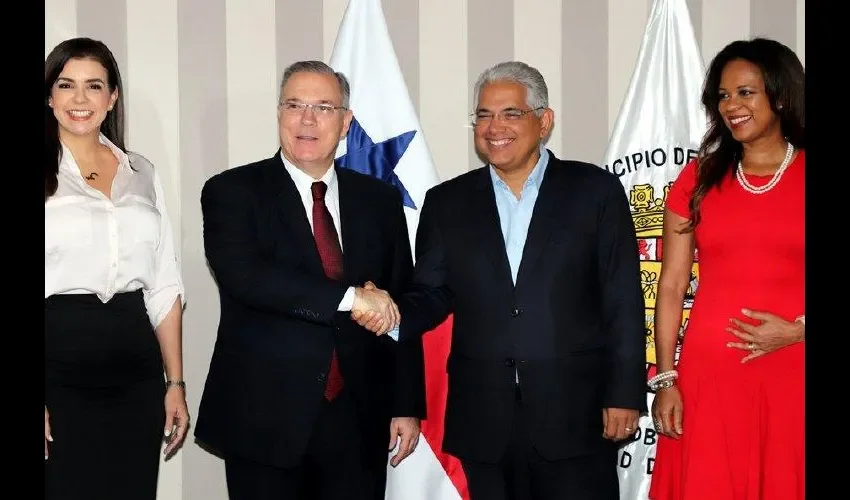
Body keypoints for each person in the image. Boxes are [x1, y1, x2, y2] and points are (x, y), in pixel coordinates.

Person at [356, 61, 646, 500]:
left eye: (511, 113)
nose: (495, 127)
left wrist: (624, 392)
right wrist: (389, 312)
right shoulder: (447, 202)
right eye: (484, 116)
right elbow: (432, 294)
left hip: (576, 414)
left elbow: (622, 298)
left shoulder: (595, 191)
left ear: (544, 121)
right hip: (484, 420)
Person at [193, 60, 426, 500]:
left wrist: (406, 404)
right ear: (279, 113)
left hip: (359, 419)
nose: (307, 119)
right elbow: (247, 278)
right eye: (294, 105)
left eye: (323, 107)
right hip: (265, 417)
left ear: (345, 122)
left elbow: (401, 303)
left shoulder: (378, 200)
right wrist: (351, 298)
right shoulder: (232, 192)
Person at [648, 37, 805, 500]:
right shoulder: (696, 179)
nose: (730, 105)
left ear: (779, 95)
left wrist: (797, 331)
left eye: (745, 92)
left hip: (792, 374)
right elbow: (672, 285)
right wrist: (667, 379)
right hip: (708, 377)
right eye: (722, 95)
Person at [44, 37, 189, 500]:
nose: (80, 100)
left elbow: (164, 284)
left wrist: (176, 384)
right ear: (49, 96)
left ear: (112, 98)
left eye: (94, 86)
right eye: (66, 85)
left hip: (135, 365)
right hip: (57, 358)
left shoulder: (141, 171)